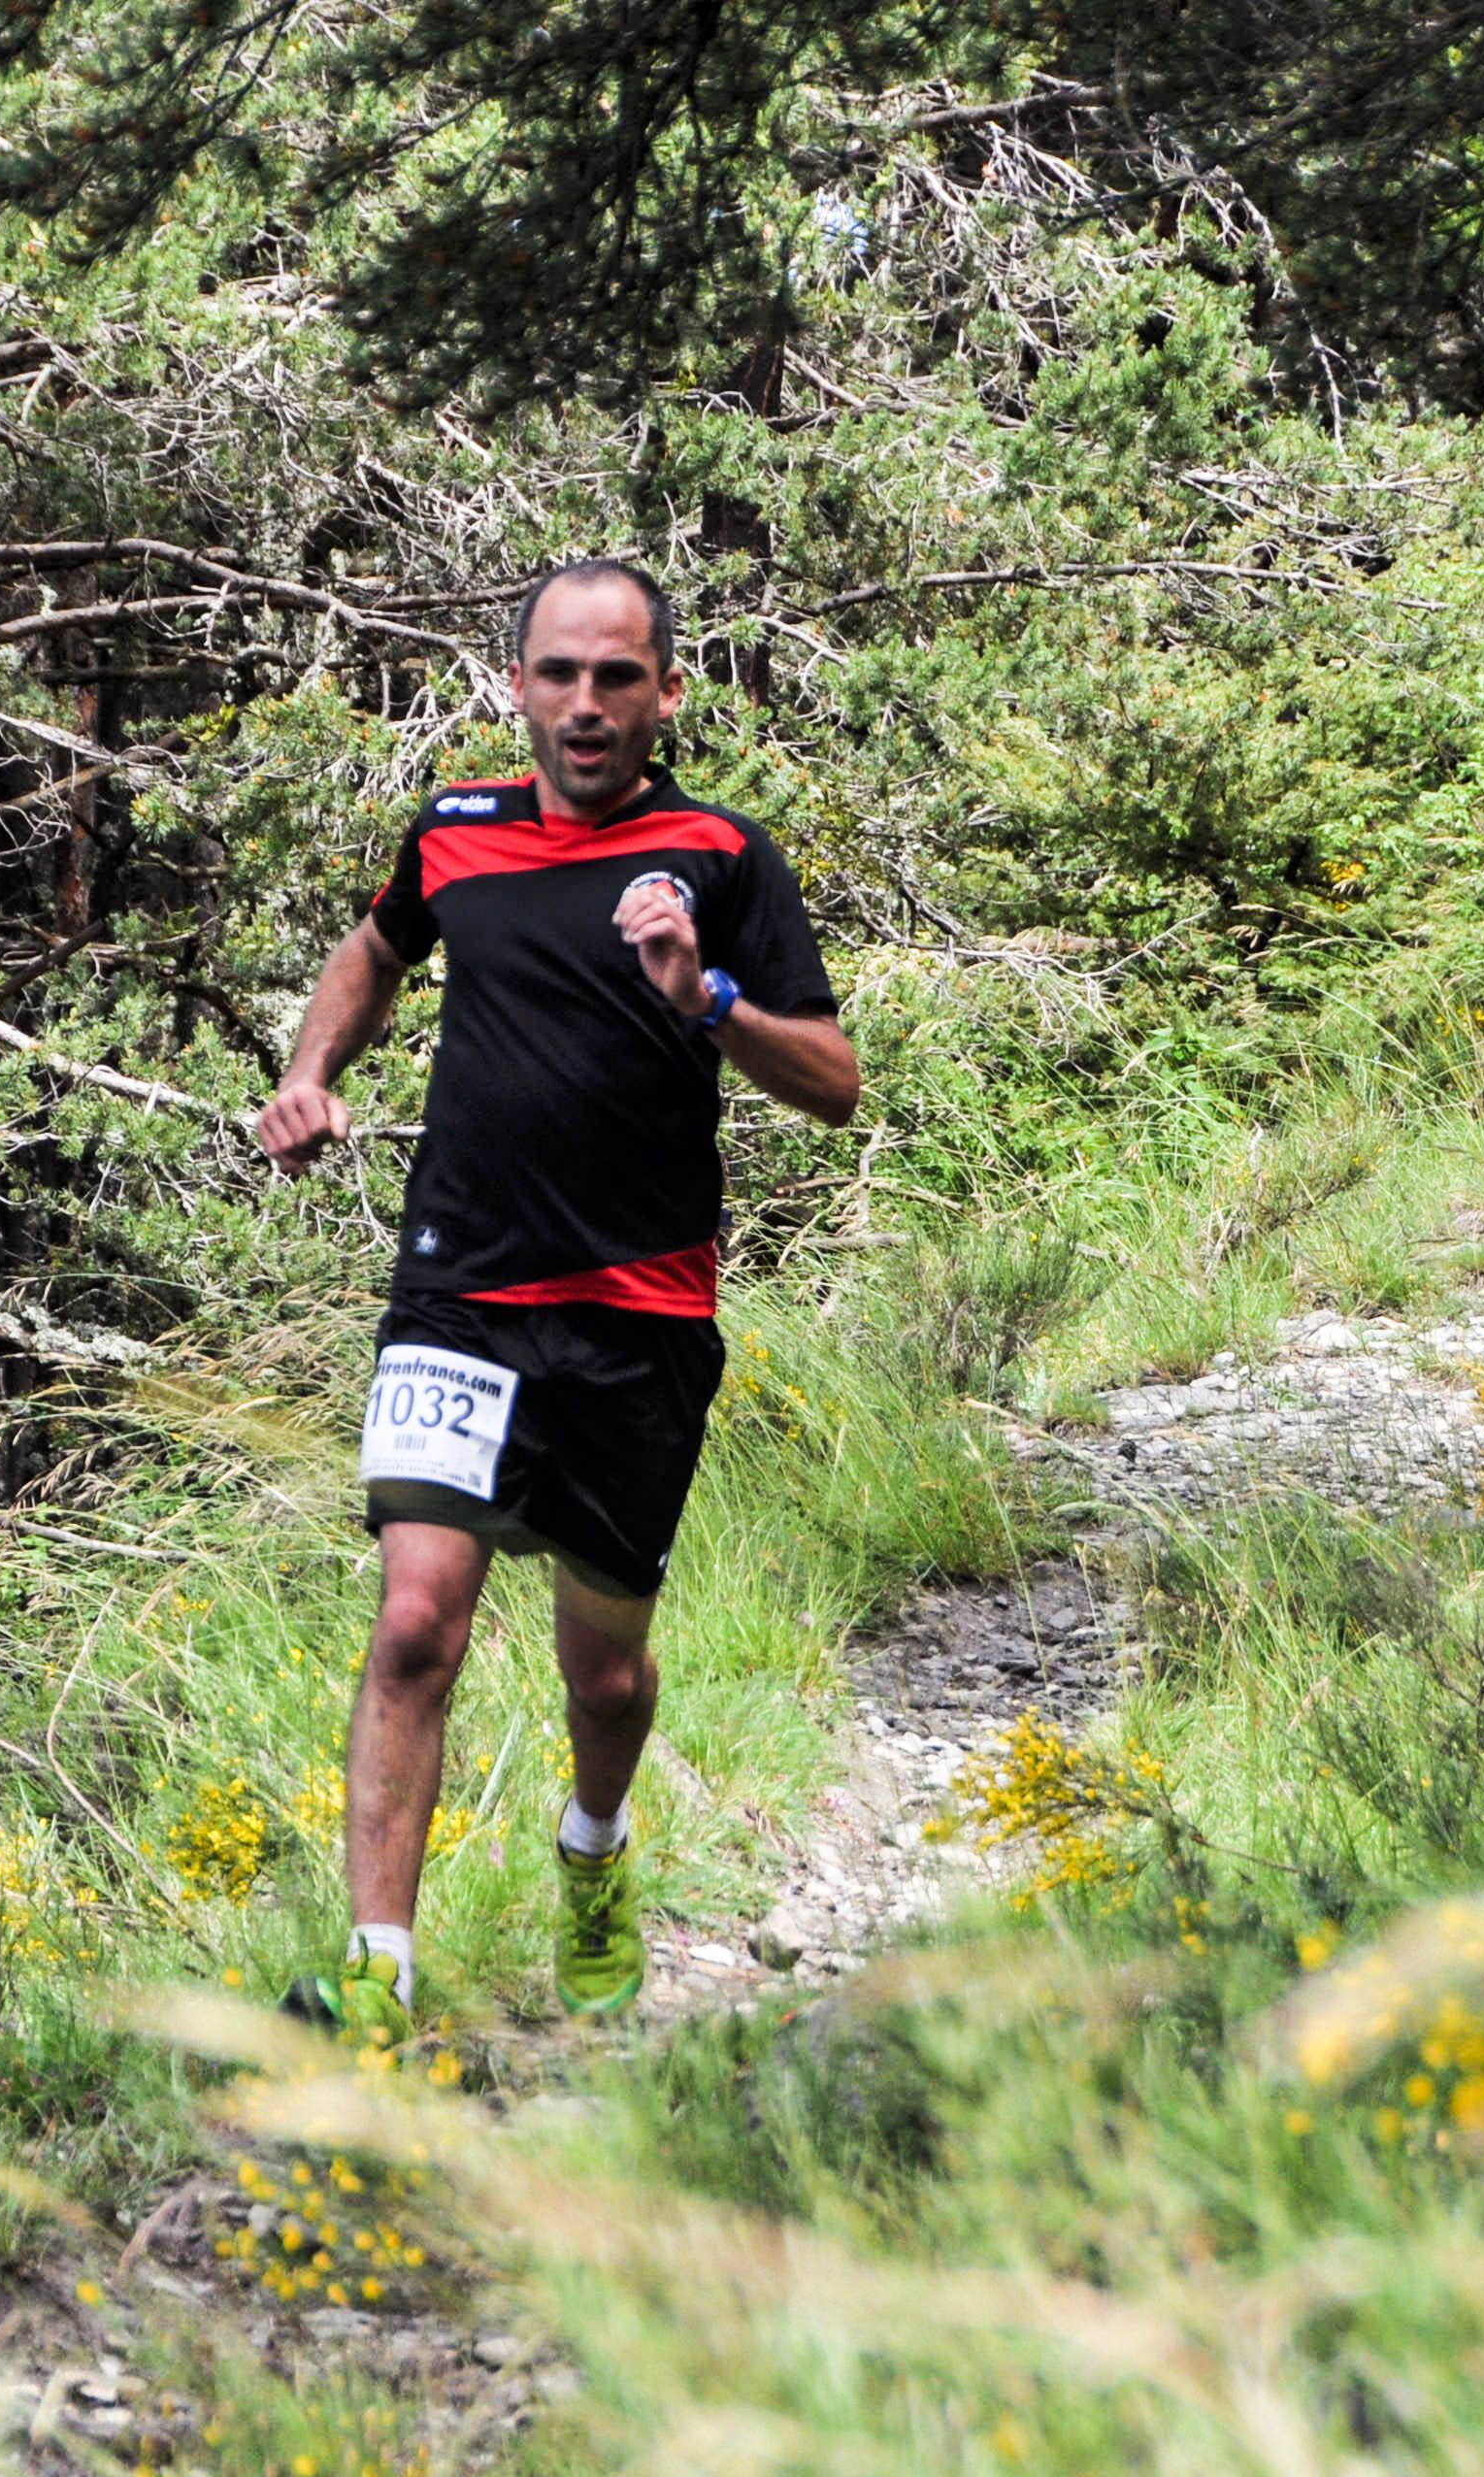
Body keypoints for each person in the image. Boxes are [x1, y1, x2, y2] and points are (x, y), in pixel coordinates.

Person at [255, 559, 862, 2041]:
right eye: (559, 674)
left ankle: (593, 1848)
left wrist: (705, 997)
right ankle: (379, 1981)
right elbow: (375, 949)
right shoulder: (454, 831)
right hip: (458, 1293)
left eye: (616, 677)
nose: (586, 704)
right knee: (416, 1621)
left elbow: (836, 1084)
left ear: (665, 692)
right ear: (518, 685)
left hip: (639, 1317)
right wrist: (311, 1073)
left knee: (606, 1675)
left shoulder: (720, 856)